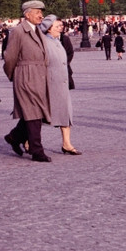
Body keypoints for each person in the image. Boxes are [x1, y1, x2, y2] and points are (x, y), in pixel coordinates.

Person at [2, 0, 52, 162]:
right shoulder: (18, 31)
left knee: (33, 112)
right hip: (26, 76)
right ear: (27, 14)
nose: (41, 15)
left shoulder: (37, 30)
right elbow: (9, 57)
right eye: (38, 12)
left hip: (38, 76)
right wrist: (14, 75)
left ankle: (14, 137)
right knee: (34, 113)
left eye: (41, 12)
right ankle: (37, 150)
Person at [40, 15, 80, 155]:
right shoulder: (44, 42)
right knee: (42, 115)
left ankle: (66, 143)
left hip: (62, 82)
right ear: (49, 29)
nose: (61, 28)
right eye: (58, 26)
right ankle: (27, 140)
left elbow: (67, 56)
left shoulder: (58, 40)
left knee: (66, 113)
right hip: (50, 83)